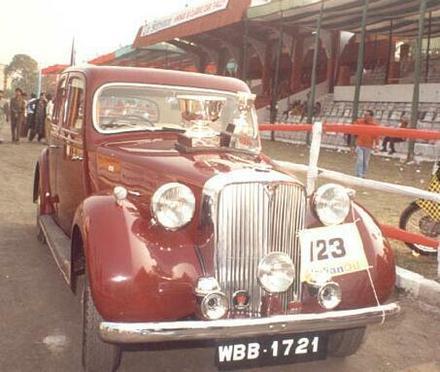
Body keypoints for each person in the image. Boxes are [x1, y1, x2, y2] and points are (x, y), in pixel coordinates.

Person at [353, 110, 379, 178]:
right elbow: (354, 128)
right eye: (364, 114)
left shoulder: (374, 125)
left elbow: (376, 136)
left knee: (365, 161)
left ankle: (363, 174)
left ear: (371, 116)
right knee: (360, 160)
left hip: (368, 146)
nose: (365, 116)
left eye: (367, 115)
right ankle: (359, 174)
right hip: (360, 144)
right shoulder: (359, 122)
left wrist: (377, 145)